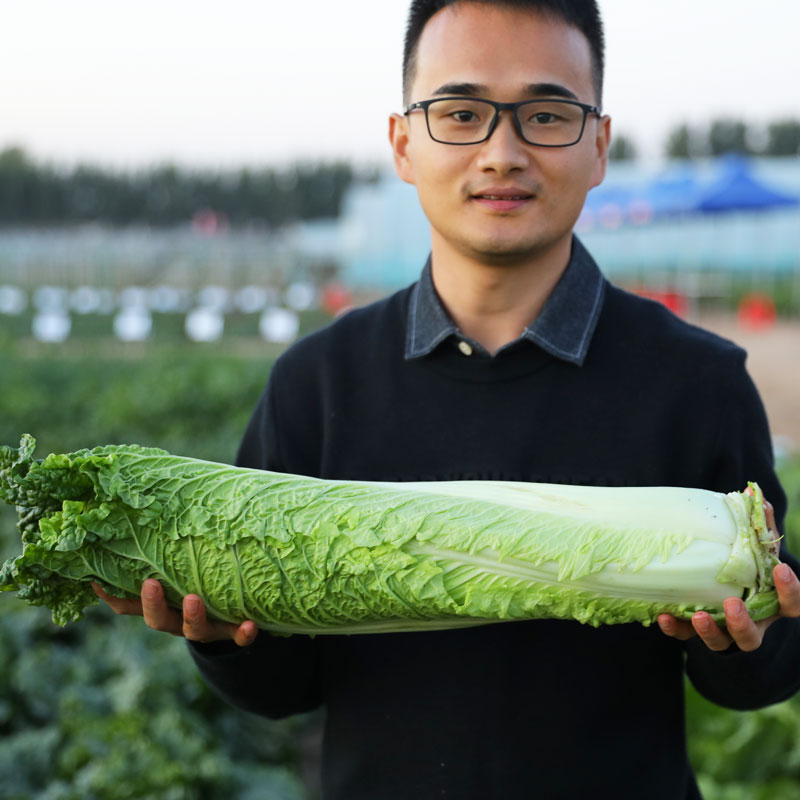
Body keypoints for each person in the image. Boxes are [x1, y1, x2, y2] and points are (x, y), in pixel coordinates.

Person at [96, 1, 800, 797]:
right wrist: (225, 638)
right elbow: (284, 688)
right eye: (461, 113)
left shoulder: (699, 382)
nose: (502, 152)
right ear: (403, 142)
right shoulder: (317, 382)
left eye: (546, 114)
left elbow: (753, 675)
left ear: (599, 146)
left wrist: (750, 636)